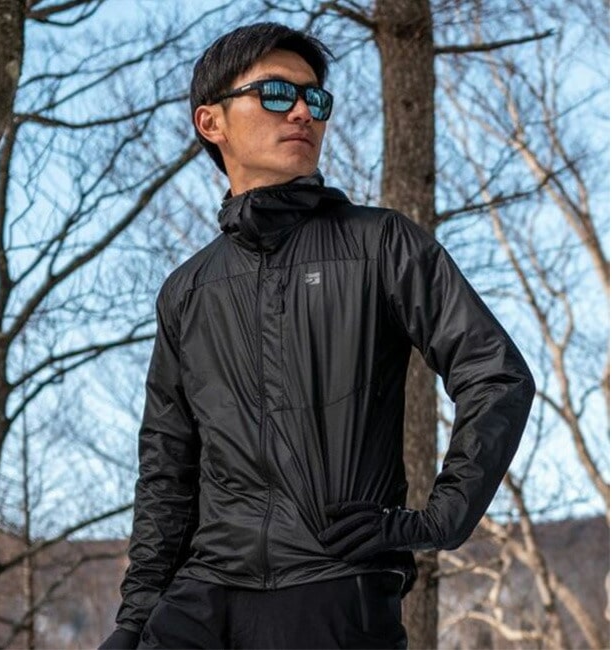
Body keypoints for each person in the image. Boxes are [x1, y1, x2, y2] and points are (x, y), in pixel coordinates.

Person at [99, 22, 535, 650]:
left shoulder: (380, 244)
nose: (303, 111)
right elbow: (168, 465)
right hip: (201, 596)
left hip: (332, 588)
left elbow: (496, 375)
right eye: (276, 93)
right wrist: (136, 616)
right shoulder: (188, 290)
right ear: (211, 122)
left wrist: (441, 518)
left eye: (315, 98)